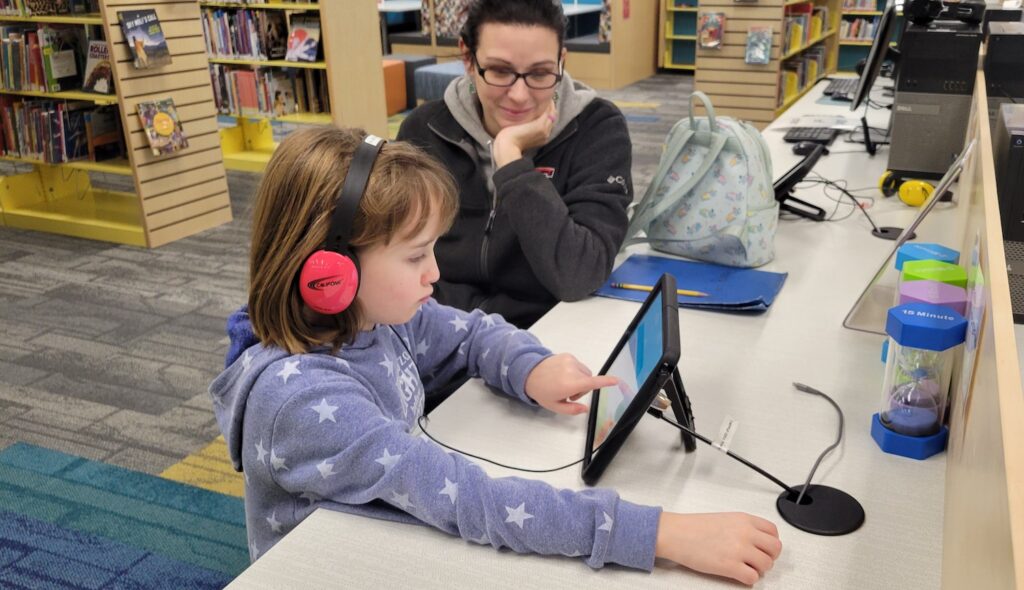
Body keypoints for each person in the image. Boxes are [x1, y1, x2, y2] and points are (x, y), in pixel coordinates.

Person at [211, 126, 781, 586]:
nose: (436, 273)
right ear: (330, 273)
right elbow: (475, 502)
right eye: (415, 257)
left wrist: (530, 368)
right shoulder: (302, 400)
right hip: (333, 566)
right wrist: (661, 535)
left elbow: (470, 333)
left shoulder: (373, 318)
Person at [397, 0, 634, 330]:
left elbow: (580, 274)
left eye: (539, 73)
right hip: (436, 334)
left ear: (561, 62)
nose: (520, 95)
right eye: (500, 71)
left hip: (541, 337)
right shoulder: (425, 129)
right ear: (468, 58)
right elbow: (392, 254)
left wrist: (511, 160)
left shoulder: (596, 128)